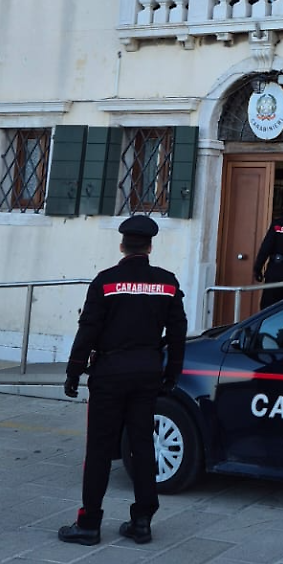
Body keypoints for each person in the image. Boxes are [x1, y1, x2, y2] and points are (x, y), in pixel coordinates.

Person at [58, 215, 187, 546]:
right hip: (147, 373)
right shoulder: (167, 282)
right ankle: (142, 521)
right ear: (150, 246)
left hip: (109, 374)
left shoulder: (106, 281)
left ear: (122, 245)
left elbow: (88, 328)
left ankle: (88, 524)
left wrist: (74, 370)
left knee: (100, 449)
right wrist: (172, 372)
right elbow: (177, 332)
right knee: (143, 446)